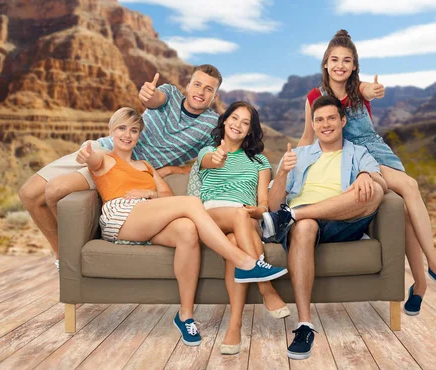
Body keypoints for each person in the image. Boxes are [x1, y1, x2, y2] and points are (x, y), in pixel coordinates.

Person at [79, 107, 288, 347]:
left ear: (139, 135)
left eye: (134, 130)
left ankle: (185, 316)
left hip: (147, 218)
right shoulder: (105, 159)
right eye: (122, 128)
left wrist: (149, 192)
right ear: (111, 131)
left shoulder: (146, 166)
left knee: (188, 230)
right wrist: (88, 155)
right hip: (121, 214)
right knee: (191, 204)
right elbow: (93, 160)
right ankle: (245, 263)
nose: (128, 135)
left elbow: (166, 194)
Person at [298, 30, 436, 318]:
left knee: (406, 212)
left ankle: (421, 284)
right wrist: (291, 164)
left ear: (354, 65)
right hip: (348, 157)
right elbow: (307, 136)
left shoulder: (359, 88)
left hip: (376, 150)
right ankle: (435, 266)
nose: (340, 65)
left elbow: (368, 91)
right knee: (410, 186)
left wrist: (374, 91)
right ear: (325, 63)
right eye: (334, 59)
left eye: (347, 60)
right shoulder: (314, 97)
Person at [18, 65, 222, 268]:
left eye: (208, 89)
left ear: (214, 96)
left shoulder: (212, 124)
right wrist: (148, 95)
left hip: (129, 169)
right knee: (29, 193)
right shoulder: (169, 93)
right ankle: (61, 254)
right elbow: (154, 99)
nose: (200, 92)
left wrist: (174, 170)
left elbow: (211, 160)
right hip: (104, 149)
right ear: (188, 85)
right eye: (197, 84)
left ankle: (67, 261)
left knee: (57, 189)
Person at [264, 95, 387, 360]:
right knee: (305, 226)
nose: (325, 124)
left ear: (342, 121)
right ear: (313, 124)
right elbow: (274, 207)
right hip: (304, 226)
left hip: (342, 220)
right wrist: (283, 174)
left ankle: (295, 214)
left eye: (331, 118)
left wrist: (366, 174)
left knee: (375, 190)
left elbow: (381, 185)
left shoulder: (357, 152)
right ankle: (305, 325)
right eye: (319, 120)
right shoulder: (297, 155)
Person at [196, 102, 289, 355]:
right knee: (238, 216)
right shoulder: (208, 152)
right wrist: (216, 157)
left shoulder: (260, 161)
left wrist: (256, 211)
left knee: (237, 240)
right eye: (234, 118)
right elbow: (208, 161)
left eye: (245, 122)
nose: (238, 124)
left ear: (250, 130)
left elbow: (263, 205)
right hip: (212, 215)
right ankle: (266, 288)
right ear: (225, 121)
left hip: (246, 218)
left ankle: (234, 326)